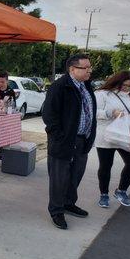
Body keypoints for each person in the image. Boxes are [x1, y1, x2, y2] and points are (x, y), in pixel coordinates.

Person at [42, 53, 96, 230]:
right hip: (63, 142)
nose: (89, 71)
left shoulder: (86, 86)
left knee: (75, 175)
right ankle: (56, 211)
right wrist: (60, 137)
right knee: (59, 178)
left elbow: (90, 113)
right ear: (72, 69)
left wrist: (89, 136)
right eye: (85, 68)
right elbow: (49, 115)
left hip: (82, 140)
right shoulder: (59, 87)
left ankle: (68, 203)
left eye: (90, 67)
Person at [95, 71, 130, 208]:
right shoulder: (103, 94)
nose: (127, 88)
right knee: (106, 166)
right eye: (124, 85)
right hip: (107, 135)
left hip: (128, 134)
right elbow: (94, 112)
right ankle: (104, 194)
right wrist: (111, 113)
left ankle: (121, 190)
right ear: (117, 81)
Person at [0, 72, 17, 160]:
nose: (0, 84)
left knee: (3, 136)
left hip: (5, 118)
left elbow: (13, 106)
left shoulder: (10, 91)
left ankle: (1, 154)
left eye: (2, 82)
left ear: (7, 81)